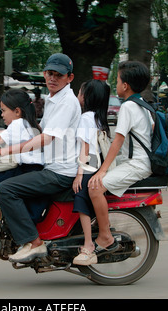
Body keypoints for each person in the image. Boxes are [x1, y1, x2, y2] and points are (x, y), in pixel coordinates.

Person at [0, 53, 81, 263]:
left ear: (70, 78)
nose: (52, 78)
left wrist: (5, 151)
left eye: (59, 75)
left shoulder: (66, 103)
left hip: (60, 173)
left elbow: (45, 139)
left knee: (6, 189)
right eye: (49, 73)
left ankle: (33, 242)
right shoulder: (53, 99)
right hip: (51, 167)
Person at [87, 61, 154, 264]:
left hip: (137, 165)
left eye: (117, 80)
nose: (115, 84)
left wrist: (103, 170)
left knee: (94, 187)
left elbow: (118, 140)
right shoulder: (143, 105)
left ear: (125, 85)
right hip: (136, 162)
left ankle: (105, 236)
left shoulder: (129, 107)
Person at [71, 79, 110, 266]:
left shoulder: (86, 117)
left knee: (80, 195)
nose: (78, 95)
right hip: (97, 165)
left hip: (89, 166)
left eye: (80, 92)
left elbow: (85, 149)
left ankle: (88, 244)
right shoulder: (99, 117)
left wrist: (80, 173)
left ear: (86, 97)